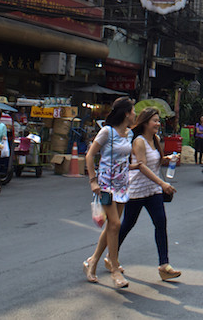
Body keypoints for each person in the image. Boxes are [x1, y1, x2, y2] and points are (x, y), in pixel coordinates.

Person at [119, 107, 180, 281]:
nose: (158, 124)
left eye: (158, 121)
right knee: (127, 225)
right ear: (145, 123)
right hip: (138, 189)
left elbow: (156, 160)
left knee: (161, 223)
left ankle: (164, 265)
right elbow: (142, 166)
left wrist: (168, 159)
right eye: (155, 120)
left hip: (153, 190)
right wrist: (162, 183)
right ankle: (111, 256)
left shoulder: (156, 139)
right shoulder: (138, 141)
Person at [84, 97, 135, 289]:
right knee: (115, 224)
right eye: (133, 111)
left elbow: (125, 160)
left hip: (123, 185)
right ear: (126, 113)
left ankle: (92, 261)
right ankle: (114, 268)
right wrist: (93, 180)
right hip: (106, 185)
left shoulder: (129, 135)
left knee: (111, 227)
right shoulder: (107, 132)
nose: (135, 115)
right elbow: (90, 155)